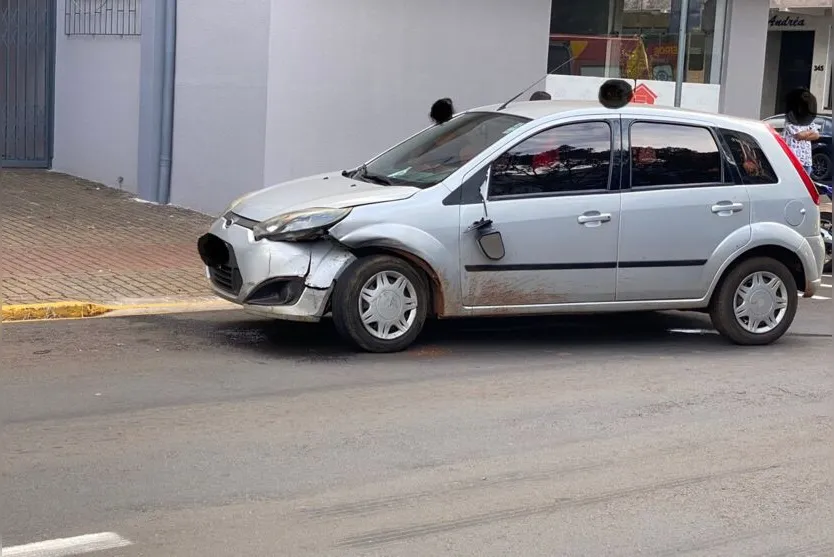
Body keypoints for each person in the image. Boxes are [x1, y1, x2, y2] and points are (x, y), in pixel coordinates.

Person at [782, 88, 820, 177]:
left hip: (806, 160)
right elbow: (799, 135)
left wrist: (805, 134)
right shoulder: (790, 121)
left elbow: (817, 135)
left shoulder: (809, 121)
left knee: (806, 184)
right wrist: (810, 132)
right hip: (793, 160)